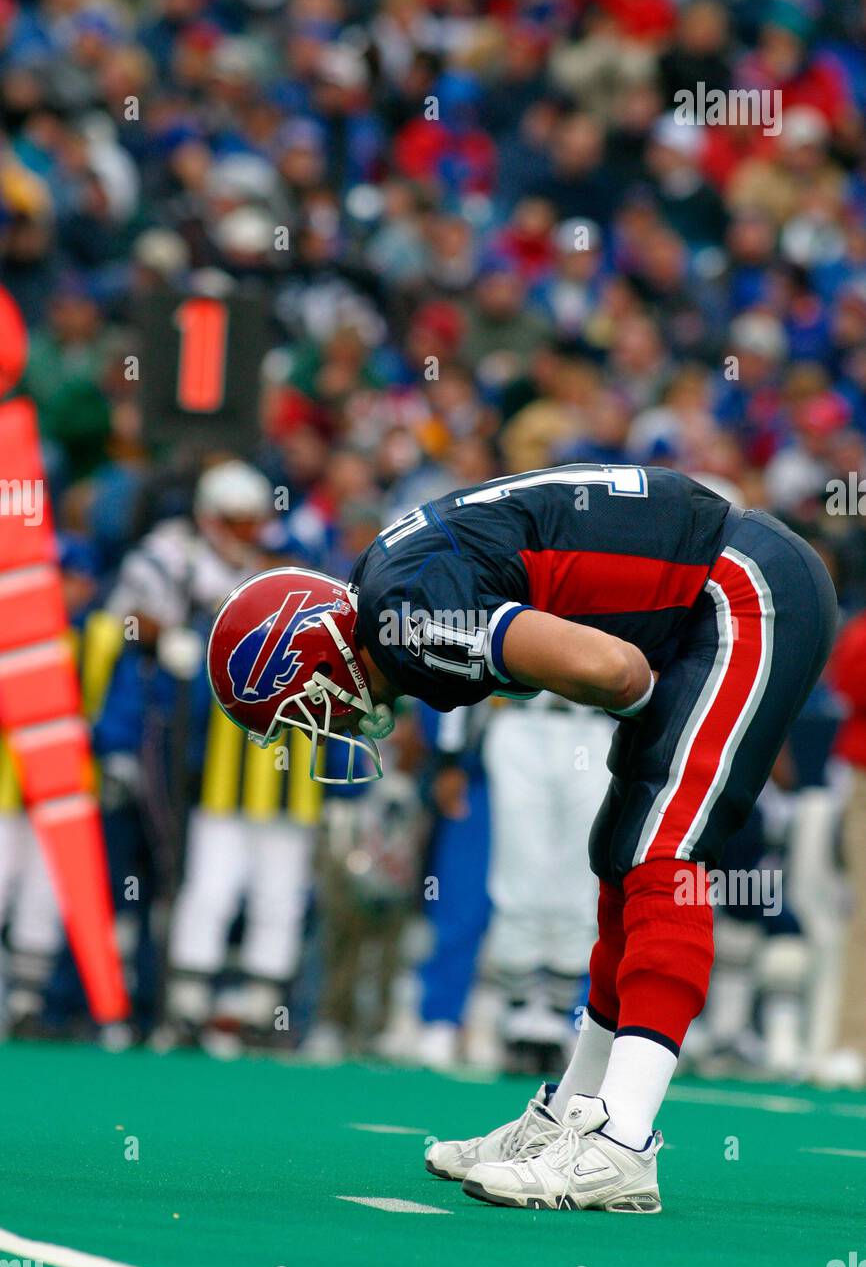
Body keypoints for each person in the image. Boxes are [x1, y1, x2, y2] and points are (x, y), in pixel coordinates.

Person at [206, 461, 837, 1215]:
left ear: (313, 658)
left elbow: (614, 667)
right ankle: (575, 1115)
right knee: (623, 857)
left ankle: (623, 1143)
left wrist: (654, 719)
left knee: (662, 848)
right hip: (714, 590)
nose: (324, 725)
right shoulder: (387, 581)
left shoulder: (402, 617)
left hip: (741, 590)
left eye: (305, 709)